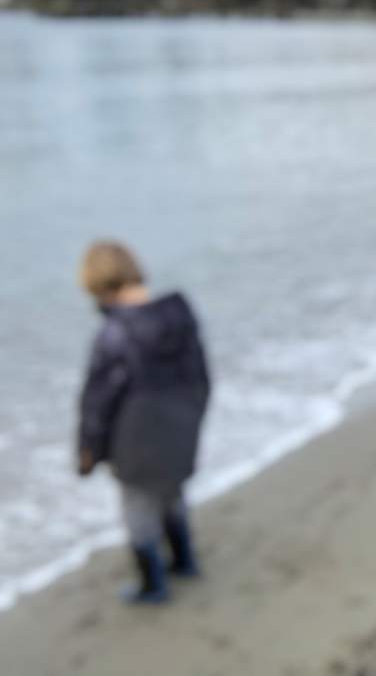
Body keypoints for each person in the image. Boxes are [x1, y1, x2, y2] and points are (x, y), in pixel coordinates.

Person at [76, 240, 210, 604]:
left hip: (134, 441)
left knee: (138, 509)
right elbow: (201, 378)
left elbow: (97, 404)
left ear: (99, 287)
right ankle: (184, 561)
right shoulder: (180, 315)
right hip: (181, 427)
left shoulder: (114, 335)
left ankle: (153, 584)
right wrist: (193, 421)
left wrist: (89, 450)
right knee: (173, 493)